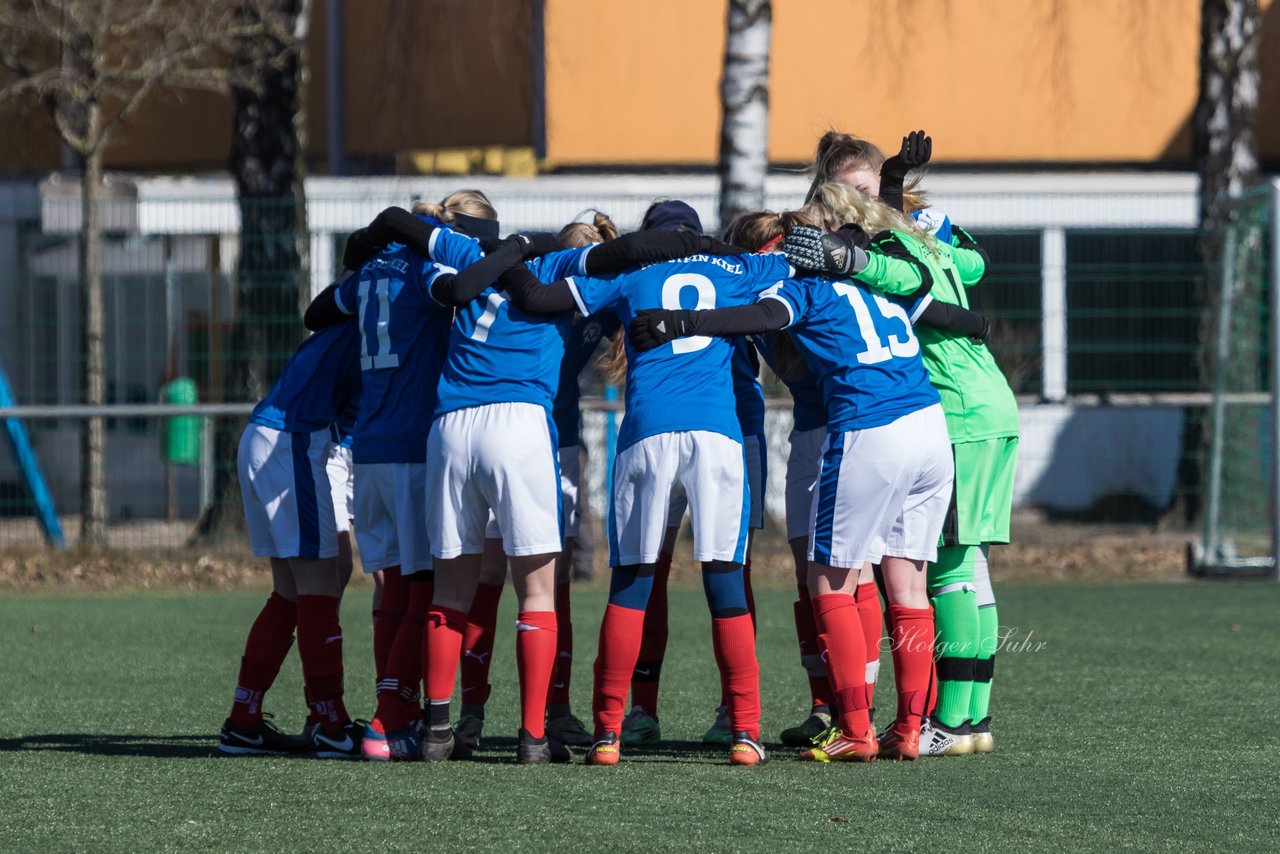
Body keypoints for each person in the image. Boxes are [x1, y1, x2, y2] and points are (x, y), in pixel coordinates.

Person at [633, 192, 990, 761]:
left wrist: (684, 321)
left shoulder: (800, 287)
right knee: (909, 585)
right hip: (928, 425)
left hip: (870, 430)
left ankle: (854, 729)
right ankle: (910, 729)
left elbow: (762, 314)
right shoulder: (873, 278)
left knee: (828, 583)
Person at [497, 199, 811, 767]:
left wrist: (510, 251)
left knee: (632, 585)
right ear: (696, 234)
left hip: (647, 434)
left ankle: (608, 734)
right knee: (725, 585)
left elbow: (539, 298)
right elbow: (800, 259)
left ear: (649, 238)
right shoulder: (740, 270)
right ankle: (744, 732)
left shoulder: (628, 273)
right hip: (719, 436)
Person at [418, 205, 732, 765]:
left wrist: (400, 225)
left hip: (456, 423)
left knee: (463, 587)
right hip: (530, 432)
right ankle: (536, 729)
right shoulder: (584, 280)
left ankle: (449, 721)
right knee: (538, 588)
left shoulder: (472, 265)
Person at [304, 191, 528, 760]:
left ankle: (394, 716)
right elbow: (456, 289)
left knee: (394, 591)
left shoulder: (372, 273)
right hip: (411, 445)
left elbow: (317, 312)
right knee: (425, 590)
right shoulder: (425, 267)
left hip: (367, 450)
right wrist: (516, 251)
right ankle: (388, 721)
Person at [813, 131, 1016, 756]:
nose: (850, 203)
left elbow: (902, 272)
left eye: (862, 189)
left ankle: (951, 722)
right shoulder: (925, 232)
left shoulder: (897, 240)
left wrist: (855, 258)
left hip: (955, 409)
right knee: (971, 561)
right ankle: (973, 721)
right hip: (988, 401)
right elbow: (971, 267)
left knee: (950, 565)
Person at [450, 213, 623, 754]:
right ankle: (500, 711)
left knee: (530, 576)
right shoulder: (560, 289)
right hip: (532, 437)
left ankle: (536, 708)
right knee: (520, 578)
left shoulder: (594, 294)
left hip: (549, 439)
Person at [217, 318, 362, 758]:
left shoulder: (355, 305)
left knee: (296, 590)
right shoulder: (383, 313)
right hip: (292, 438)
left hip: (269, 432)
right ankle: (330, 723)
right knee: (317, 588)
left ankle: (244, 720)